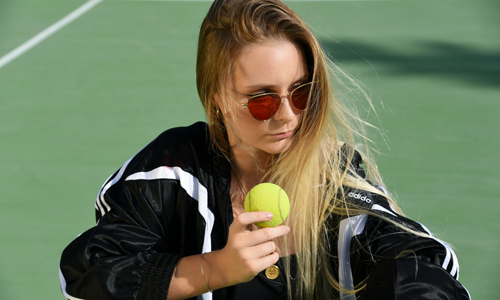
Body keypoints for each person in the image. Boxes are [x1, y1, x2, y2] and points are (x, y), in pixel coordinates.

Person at [59, 0, 470, 299]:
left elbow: (425, 263)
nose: (288, 115)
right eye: (262, 100)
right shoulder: (170, 172)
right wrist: (215, 269)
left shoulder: (335, 173)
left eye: (302, 92)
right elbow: (86, 273)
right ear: (218, 97)